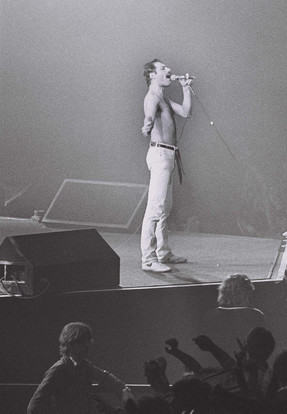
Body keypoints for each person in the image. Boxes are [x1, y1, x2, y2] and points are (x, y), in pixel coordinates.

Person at [140, 58, 192, 273]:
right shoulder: (152, 97)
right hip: (160, 154)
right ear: (152, 74)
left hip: (168, 155)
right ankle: (148, 259)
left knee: (165, 208)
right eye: (163, 69)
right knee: (155, 208)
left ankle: (163, 252)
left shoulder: (166, 99)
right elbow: (149, 115)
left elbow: (186, 112)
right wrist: (147, 124)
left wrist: (186, 89)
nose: (168, 70)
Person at [27, 322, 131, 414]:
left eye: (87, 342)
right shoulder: (58, 369)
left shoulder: (84, 366)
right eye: (82, 343)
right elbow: (34, 406)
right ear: (71, 344)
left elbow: (105, 378)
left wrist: (124, 390)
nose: (87, 346)